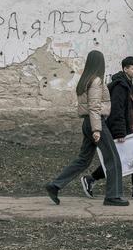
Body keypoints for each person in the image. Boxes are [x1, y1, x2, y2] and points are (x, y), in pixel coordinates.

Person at [44, 50, 128, 206]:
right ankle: (113, 196)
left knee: (83, 160)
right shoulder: (96, 81)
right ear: (100, 63)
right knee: (113, 158)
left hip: (88, 122)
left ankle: (55, 185)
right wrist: (97, 130)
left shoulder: (85, 80)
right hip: (96, 122)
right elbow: (94, 107)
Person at [81, 56, 133, 199]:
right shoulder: (120, 85)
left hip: (128, 126)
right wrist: (119, 132)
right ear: (125, 69)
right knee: (121, 159)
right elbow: (117, 110)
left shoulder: (128, 83)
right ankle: (91, 179)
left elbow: (127, 108)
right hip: (121, 129)